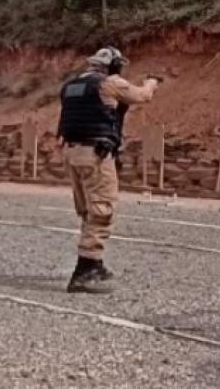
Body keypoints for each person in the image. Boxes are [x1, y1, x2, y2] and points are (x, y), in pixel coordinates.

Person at [57, 47, 159, 294]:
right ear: (113, 65)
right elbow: (142, 96)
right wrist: (152, 83)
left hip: (71, 153)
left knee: (87, 210)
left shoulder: (71, 86)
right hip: (95, 154)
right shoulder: (109, 83)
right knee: (102, 209)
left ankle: (95, 261)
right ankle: (86, 270)